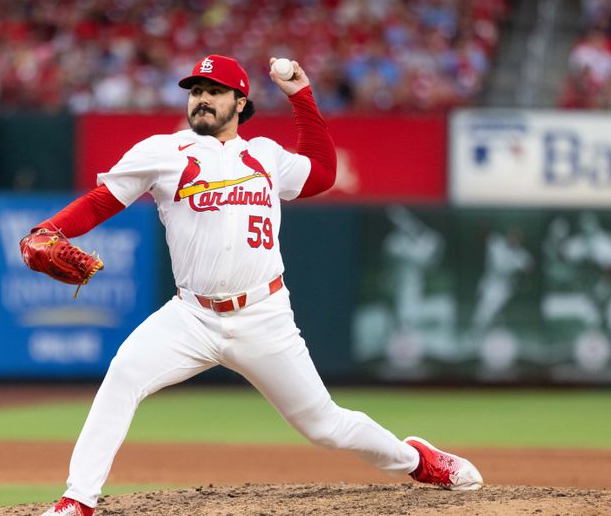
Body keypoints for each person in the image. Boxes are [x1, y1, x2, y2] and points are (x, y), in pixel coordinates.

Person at [25, 54, 483, 516]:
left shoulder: (265, 154)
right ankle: (77, 500)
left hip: (264, 316)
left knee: (324, 425)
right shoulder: (163, 151)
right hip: (192, 316)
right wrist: (49, 228)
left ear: (240, 102)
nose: (202, 99)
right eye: (195, 91)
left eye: (214, 91)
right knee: (123, 375)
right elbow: (102, 201)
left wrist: (301, 96)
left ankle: (417, 460)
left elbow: (322, 174)